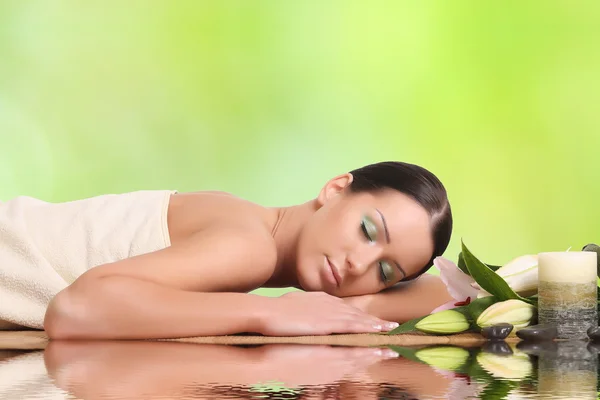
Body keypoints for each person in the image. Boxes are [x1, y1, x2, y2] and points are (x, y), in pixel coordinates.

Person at [1, 160, 454, 339]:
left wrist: (368, 304)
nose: (360, 262)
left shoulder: (248, 224)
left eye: (385, 271)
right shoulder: (249, 247)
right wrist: (273, 314)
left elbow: (448, 291)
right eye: (368, 230)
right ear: (336, 189)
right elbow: (75, 310)